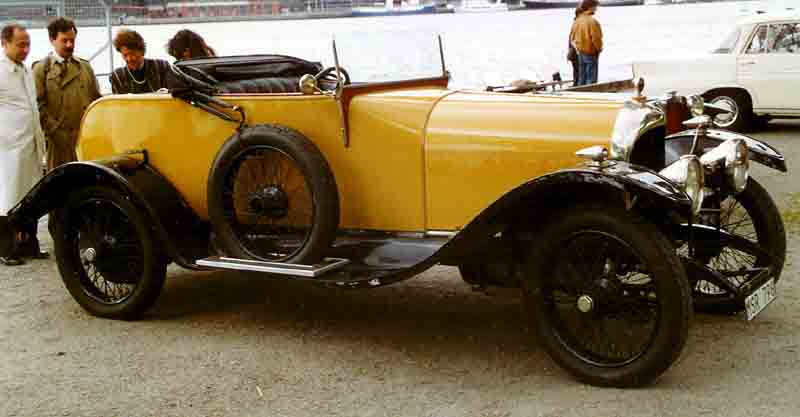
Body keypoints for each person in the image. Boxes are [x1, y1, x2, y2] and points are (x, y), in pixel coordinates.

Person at [0, 24, 48, 265]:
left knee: (30, 195)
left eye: (27, 44)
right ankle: (6, 249)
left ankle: (30, 244)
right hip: (8, 146)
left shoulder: (26, 70)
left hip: (31, 143)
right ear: (4, 43)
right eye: (20, 44)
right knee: (7, 198)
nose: (25, 49)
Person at [33, 17, 102, 171]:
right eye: (64, 41)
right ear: (52, 39)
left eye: (72, 40)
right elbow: (38, 105)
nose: (69, 45)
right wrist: (55, 131)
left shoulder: (85, 67)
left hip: (85, 140)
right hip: (58, 143)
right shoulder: (41, 69)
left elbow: (96, 99)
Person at [110, 29, 172, 94]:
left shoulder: (162, 67)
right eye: (125, 55)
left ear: (142, 51)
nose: (129, 59)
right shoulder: (118, 76)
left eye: (132, 53)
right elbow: (118, 102)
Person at [569, 0, 603, 86]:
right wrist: (598, 49)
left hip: (580, 54)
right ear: (591, 7)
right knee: (591, 81)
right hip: (591, 53)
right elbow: (596, 39)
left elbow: (572, 38)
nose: (596, 9)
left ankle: (581, 95)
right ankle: (591, 96)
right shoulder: (593, 22)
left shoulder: (577, 21)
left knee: (582, 79)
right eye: (595, 6)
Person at [566, 8, 580, 86]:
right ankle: (578, 84)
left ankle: (576, 83)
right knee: (578, 69)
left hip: (572, 51)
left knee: (576, 69)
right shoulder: (578, 24)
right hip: (576, 51)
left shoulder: (575, 24)